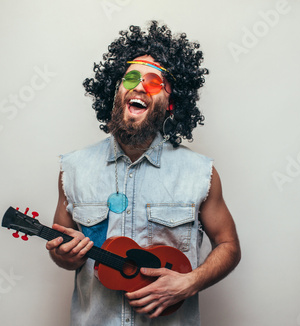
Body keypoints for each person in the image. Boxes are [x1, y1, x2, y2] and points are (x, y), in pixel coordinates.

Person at [46, 21, 241, 325]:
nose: (139, 86)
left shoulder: (201, 174)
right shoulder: (72, 169)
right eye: (131, 77)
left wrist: (190, 282)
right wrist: (65, 256)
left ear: (171, 102)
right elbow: (63, 253)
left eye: (153, 82)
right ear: (116, 90)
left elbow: (229, 245)